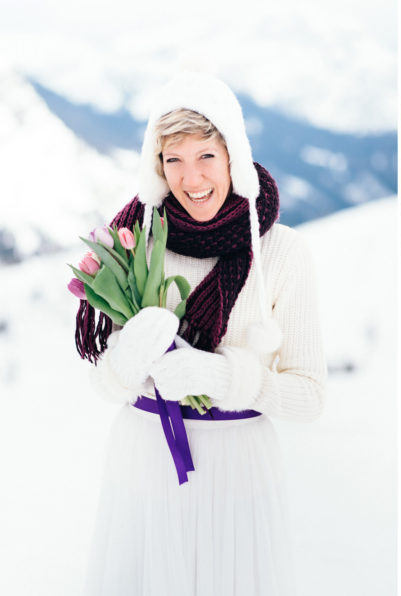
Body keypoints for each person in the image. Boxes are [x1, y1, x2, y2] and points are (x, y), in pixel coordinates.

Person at [75, 72, 325, 595]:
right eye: (174, 160)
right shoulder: (135, 244)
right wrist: (127, 360)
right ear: (157, 167)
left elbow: (309, 397)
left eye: (206, 156)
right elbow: (104, 387)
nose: (192, 179)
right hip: (143, 464)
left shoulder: (282, 252)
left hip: (239, 472)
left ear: (233, 154)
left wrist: (223, 374)